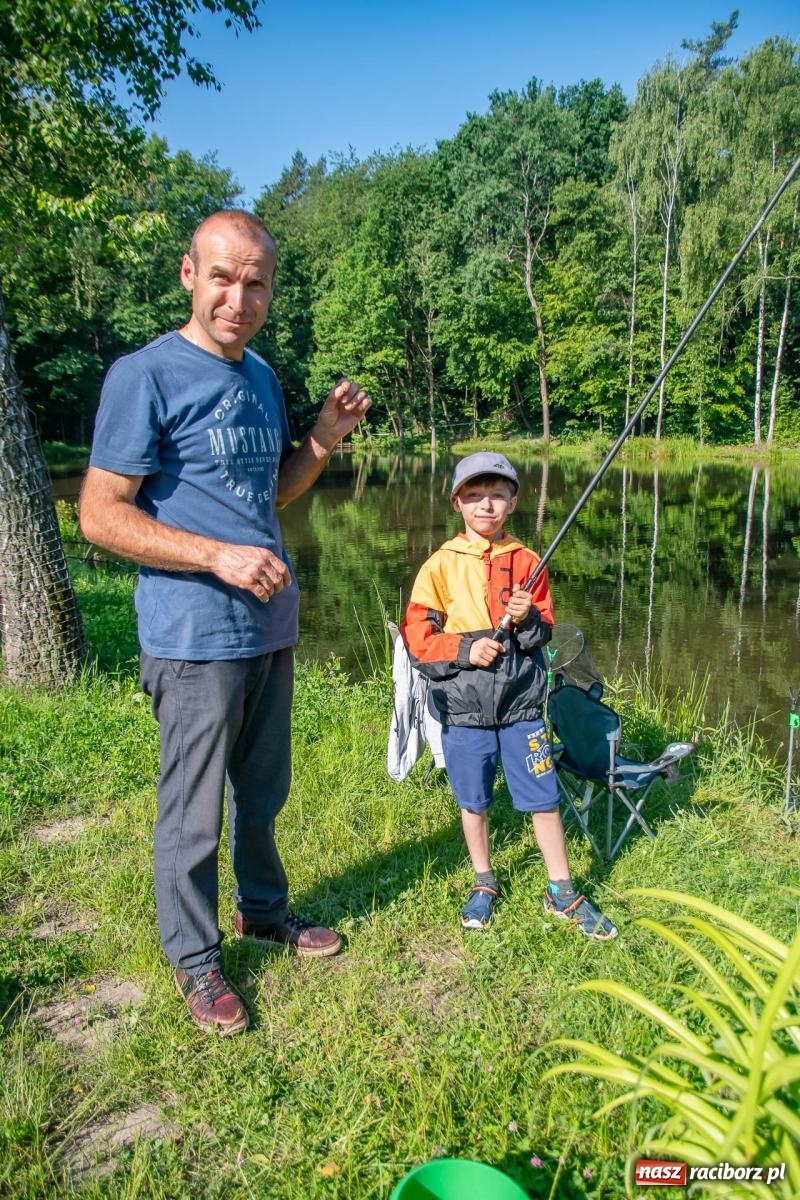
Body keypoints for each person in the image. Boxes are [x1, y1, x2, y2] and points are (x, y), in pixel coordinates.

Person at [80, 210, 371, 1035]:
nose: (236, 297)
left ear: (270, 289)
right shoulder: (146, 376)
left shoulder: (261, 378)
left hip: (267, 627)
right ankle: (196, 959)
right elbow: (100, 515)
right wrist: (217, 558)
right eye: (221, 277)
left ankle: (264, 911)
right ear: (188, 274)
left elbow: (269, 494)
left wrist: (320, 438)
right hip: (193, 633)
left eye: (254, 282)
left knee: (263, 792)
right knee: (192, 808)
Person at [400, 452, 617, 939]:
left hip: (522, 708)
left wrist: (527, 620)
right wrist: (464, 647)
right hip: (464, 710)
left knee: (543, 799)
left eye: (497, 495)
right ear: (457, 502)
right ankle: (484, 881)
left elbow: (544, 635)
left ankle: (560, 890)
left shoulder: (528, 561)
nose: (486, 505)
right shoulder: (439, 565)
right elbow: (417, 639)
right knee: (473, 801)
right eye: (474, 496)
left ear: (513, 502)